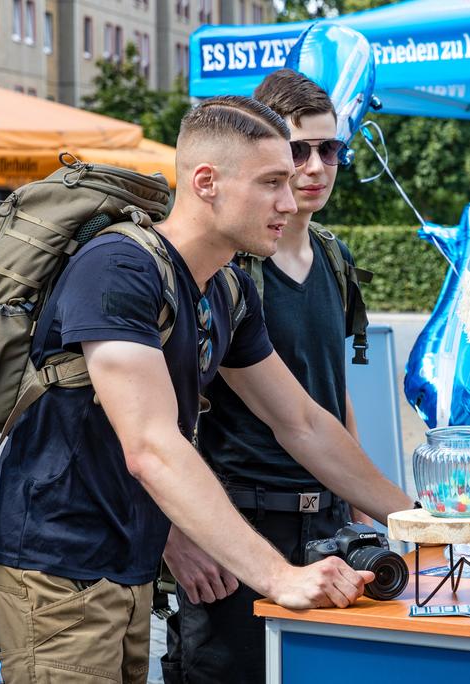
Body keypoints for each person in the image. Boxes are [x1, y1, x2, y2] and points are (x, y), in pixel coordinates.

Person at [0, 96, 412, 684]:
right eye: (272, 181)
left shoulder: (226, 286)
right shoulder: (119, 268)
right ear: (207, 182)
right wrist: (279, 577)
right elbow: (151, 447)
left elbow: (301, 423)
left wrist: (423, 522)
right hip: (54, 570)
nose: (290, 199)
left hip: (124, 569)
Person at [162, 71, 386, 684]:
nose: (314, 167)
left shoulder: (336, 259)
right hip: (236, 523)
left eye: (329, 149)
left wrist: (369, 511)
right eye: (296, 151)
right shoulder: (227, 269)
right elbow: (156, 425)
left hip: (327, 524)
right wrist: (178, 533)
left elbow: (324, 406)